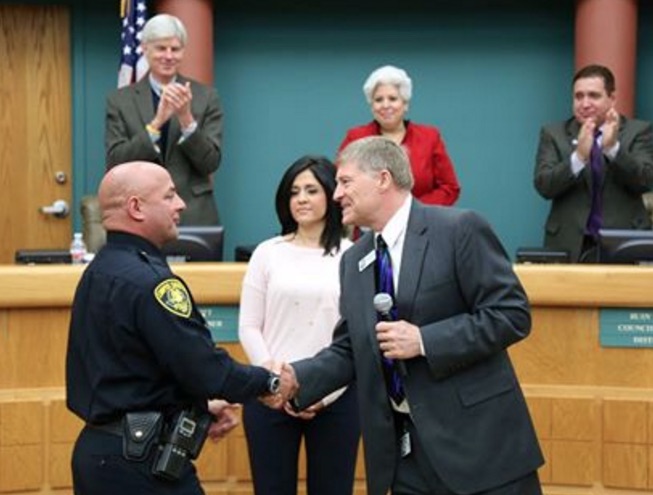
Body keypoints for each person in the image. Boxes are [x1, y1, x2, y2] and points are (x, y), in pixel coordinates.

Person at [282, 136, 543, 495]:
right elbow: (351, 347)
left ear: (383, 179)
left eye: (345, 182)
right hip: (405, 460)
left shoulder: (459, 229)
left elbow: (511, 314)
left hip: (481, 452)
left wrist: (424, 340)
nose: (337, 194)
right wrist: (297, 378)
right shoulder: (354, 259)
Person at [65, 161, 293, 495]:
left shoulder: (101, 270)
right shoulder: (152, 283)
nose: (181, 204)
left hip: (102, 454)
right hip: (140, 465)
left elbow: (132, 366)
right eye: (170, 196)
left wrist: (197, 406)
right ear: (136, 208)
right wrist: (270, 380)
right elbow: (207, 371)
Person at [238, 155, 360, 495]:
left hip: (336, 398)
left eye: (311, 190)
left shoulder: (352, 255)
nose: (301, 199)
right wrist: (274, 380)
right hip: (269, 395)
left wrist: (320, 390)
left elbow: (357, 337)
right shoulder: (267, 252)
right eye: (294, 192)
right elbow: (248, 325)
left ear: (331, 195)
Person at [105, 14, 223, 225]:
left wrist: (186, 119)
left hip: (193, 213)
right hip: (141, 215)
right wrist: (156, 124)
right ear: (145, 48)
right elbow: (116, 162)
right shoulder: (120, 101)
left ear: (183, 51)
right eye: (161, 48)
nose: (168, 56)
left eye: (175, 49)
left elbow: (210, 163)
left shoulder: (206, 97)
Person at [534, 64, 653, 262]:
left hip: (623, 241)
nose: (585, 103)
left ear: (612, 98)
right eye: (578, 96)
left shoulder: (638, 131)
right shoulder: (553, 134)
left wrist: (613, 149)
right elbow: (544, 186)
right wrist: (578, 157)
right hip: (569, 243)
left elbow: (645, 180)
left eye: (593, 95)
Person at [338, 65, 460, 206]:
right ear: (372, 106)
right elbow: (341, 183)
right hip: (367, 223)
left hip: (420, 222)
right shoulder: (356, 137)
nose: (385, 105)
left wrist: (411, 210)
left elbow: (449, 188)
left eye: (392, 98)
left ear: (405, 104)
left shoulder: (429, 137)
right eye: (378, 100)